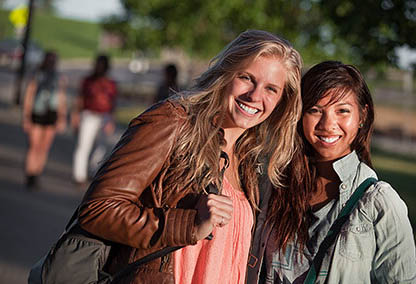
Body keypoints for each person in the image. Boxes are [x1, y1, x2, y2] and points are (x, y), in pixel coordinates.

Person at [76, 29, 303, 284]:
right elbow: (98, 210)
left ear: (283, 100)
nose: (255, 95)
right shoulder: (173, 122)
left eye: (271, 89)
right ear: (225, 74)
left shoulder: (250, 162)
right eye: (246, 78)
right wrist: (189, 225)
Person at [247, 61, 416, 283]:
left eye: (342, 111)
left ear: (362, 116)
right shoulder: (274, 184)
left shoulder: (379, 203)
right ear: (300, 115)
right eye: (315, 110)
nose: (328, 124)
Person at [22, 50, 67, 189]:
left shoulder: (59, 77)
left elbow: (61, 98)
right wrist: (26, 117)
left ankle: (37, 174)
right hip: (37, 111)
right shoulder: (37, 75)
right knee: (34, 145)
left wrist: (62, 117)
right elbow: (29, 95)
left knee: (44, 147)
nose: (51, 62)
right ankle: (30, 173)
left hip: (52, 113)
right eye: (49, 59)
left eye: (54, 60)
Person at [72, 54, 117, 186]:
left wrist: (111, 120)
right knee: (83, 145)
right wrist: (76, 115)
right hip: (89, 114)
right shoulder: (88, 81)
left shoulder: (110, 84)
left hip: (104, 116)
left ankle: (93, 171)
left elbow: (112, 103)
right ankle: (79, 175)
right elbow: (80, 98)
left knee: (101, 147)